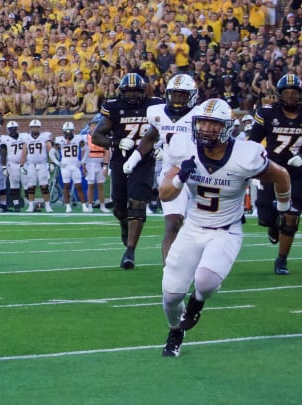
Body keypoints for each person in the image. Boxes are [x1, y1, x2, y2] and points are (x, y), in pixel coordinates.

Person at [158, 98, 291, 357]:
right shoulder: (185, 148)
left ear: (228, 127)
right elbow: (164, 195)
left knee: (205, 283)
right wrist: (179, 177)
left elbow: (282, 175)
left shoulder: (246, 155)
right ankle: (175, 330)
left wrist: (283, 210)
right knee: (171, 294)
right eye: (203, 122)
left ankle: (197, 302)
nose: (206, 128)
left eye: (213, 123)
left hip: (226, 229)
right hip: (193, 227)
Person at [121, 73, 199, 262]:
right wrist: (135, 157)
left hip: (201, 175)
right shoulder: (159, 113)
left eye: (182, 95)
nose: (178, 99)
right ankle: (169, 274)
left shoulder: (200, 115)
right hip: (171, 174)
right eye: (174, 94)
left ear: (192, 96)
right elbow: (149, 138)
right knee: (172, 223)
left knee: (200, 228)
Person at [91, 73, 165, 269]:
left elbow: (168, 128)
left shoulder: (156, 105)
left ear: (143, 91)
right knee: (119, 208)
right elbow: (97, 136)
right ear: (122, 92)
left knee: (138, 204)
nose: (132, 95)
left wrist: (164, 144)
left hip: (144, 160)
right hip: (120, 161)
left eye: (136, 91)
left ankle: (130, 252)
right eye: (128, 91)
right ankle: (124, 225)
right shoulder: (114, 106)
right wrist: (115, 142)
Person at [248, 74, 302, 275]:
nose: (290, 96)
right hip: (270, 170)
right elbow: (253, 141)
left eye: (294, 93)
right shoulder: (268, 112)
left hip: (297, 173)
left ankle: (281, 260)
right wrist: (250, 165)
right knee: (265, 217)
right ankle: (272, 226)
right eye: (286, 93)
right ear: (279, 95)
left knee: (291, 216)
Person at [51, 121, 91, 213]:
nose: (68, 133)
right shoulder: (60, 140)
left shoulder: (78, 139)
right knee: (66, 187)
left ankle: (84, 205)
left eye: (69, 131)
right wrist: (58, 162)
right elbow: (51, 152)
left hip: (75, 165)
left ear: (73, 131)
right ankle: (68, 206)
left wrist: (82, 161)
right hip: (65, 166)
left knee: (78, 186)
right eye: (66, 131)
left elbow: (87, 149)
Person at [22, 119, 54, 212]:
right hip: (31, 165)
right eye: (33, 127)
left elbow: (50, 151)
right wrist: (21, 165)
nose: (35, 129)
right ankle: (31, 205)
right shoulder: (27, 138)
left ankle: (48, 205)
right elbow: (24, 153)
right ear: (30, 128)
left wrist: (51, 163)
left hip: (42, 164)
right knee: (31, 186)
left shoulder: (44, 137)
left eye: (36, 127)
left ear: (39, 128)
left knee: (44, 186)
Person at [81, 115, 110, 213]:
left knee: (101, 185)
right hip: (90, 161)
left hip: (100, 161)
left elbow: (107, 151)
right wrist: (84, 165)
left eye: (95, 125)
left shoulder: (103, 137)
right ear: (89, 127)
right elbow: (83, 152)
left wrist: (105, 165)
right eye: (92, 125)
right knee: (90, 185)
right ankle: (90, 205)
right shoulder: (85, 137)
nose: (93, 127)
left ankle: (102, 205)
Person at [0, 120, 28, 212]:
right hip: (11, 164)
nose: (12, 130)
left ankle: (31, 203)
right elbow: (3, 153)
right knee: (14, 185)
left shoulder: (24, 137)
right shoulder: (5, 139)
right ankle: (16, 204)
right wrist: (4, 167)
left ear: (17, 129)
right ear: (8, 130)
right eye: (11, 129)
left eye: (14, 128)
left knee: (27, 184)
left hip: (23, 164)